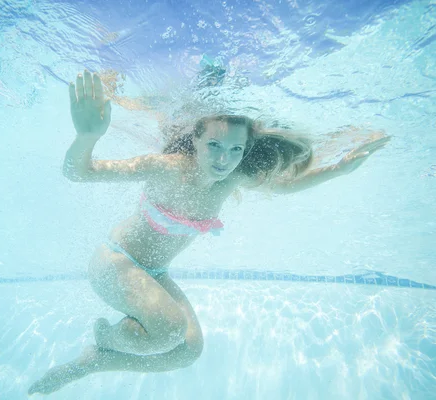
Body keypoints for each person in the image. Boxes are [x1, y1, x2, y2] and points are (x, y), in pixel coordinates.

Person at [28, 71, 390, 395]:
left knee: (187, 351)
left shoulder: (231, 178)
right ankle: (109, 338)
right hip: (117, 262)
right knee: (167, 330)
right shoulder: (167, 169)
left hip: (154, 273)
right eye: (214, 145)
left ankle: (93, 361)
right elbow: (80, 172)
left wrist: (340, 169)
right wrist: (86, 136)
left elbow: (285, 185)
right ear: (196, 140)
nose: (223, 159)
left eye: (236, 149)